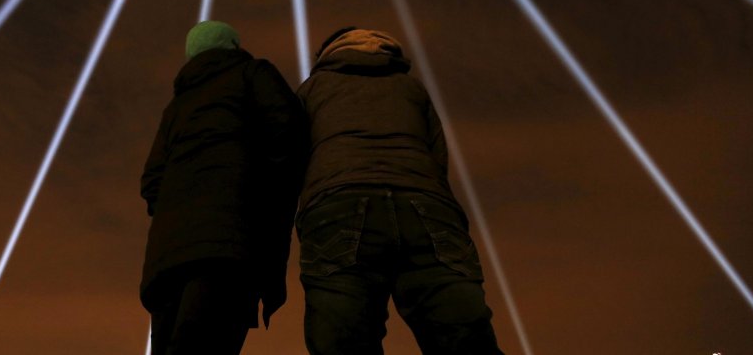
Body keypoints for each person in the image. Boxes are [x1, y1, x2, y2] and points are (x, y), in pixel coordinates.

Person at [295, 27, 504, 355]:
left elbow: (293, 157)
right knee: (464, 335)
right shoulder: (411, 88)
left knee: (342, 339)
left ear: (325, 55)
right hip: (425, 204)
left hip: (339, 204)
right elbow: (438, 156)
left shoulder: (312, 89)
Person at [140, 20, 308, 355]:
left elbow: (150, 182)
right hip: (229, 245)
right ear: (233, 44)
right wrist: (261, 189)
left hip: (166, 257)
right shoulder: (252, 73)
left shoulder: (175, 108)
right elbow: (288, 131)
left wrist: (178, 209)